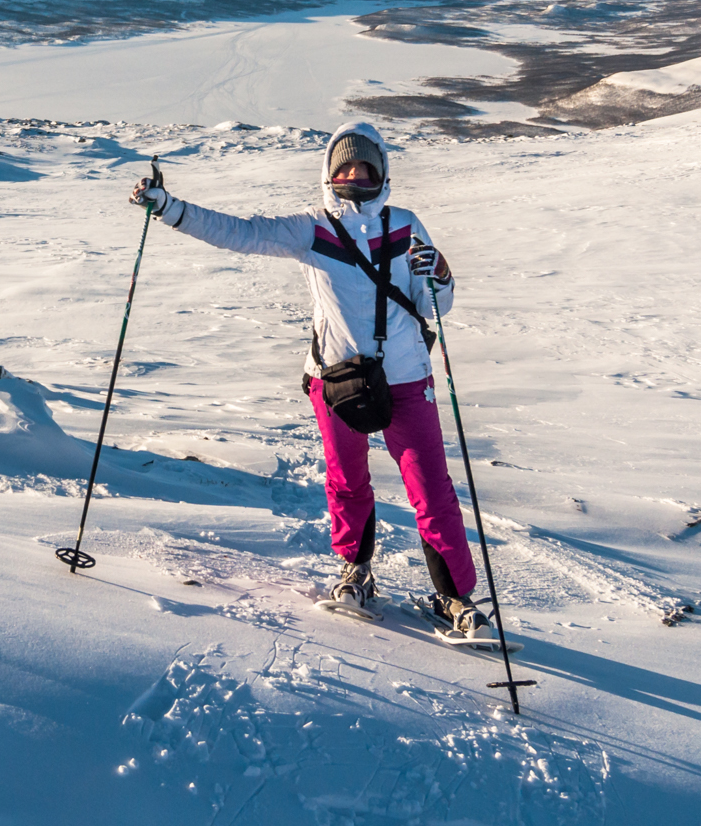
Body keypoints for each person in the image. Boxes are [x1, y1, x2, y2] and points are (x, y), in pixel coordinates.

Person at [129, 120, 491, 638]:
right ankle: (356, 572)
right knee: (347, 479)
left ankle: (453, 598)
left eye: (365, 166)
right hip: (335, 376)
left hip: (407, 376)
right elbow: (240, 232)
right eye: (344, 166)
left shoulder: (406, 226)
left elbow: (438, 304)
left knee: (431, 488)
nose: (354, 174)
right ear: (328, 172)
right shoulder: (313, 228)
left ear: (382, 171)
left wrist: (441, 275)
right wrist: (171, 209)